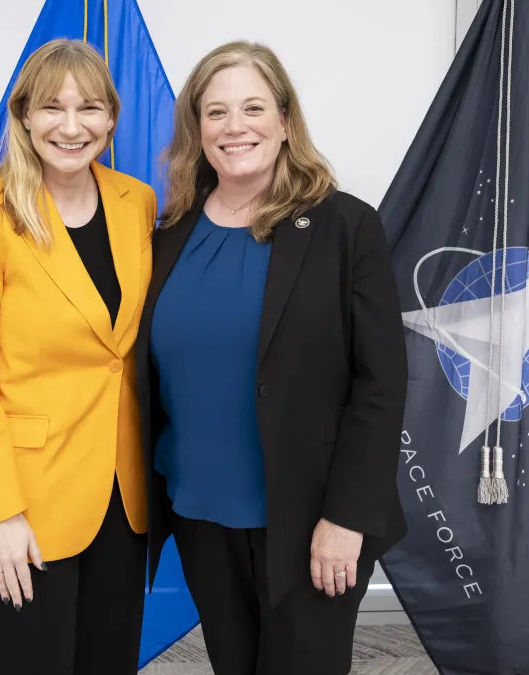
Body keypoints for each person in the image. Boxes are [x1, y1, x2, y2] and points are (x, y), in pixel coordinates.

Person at [136, 41, 410, 675]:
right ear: (196, 130)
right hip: (201, 513)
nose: (235, 127)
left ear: (285, 121)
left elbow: (382, 384)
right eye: (216, 112)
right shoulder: (168, 235)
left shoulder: (345, 228)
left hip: (311, 520)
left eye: (253, 107)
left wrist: (347, 518)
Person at [0, 38, 156, 675]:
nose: (70, 125)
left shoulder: (135, 202)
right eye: (52, 107)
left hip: (122, 493)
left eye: (89, 108)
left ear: (111, 118)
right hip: (21, 500)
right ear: (23, 115)